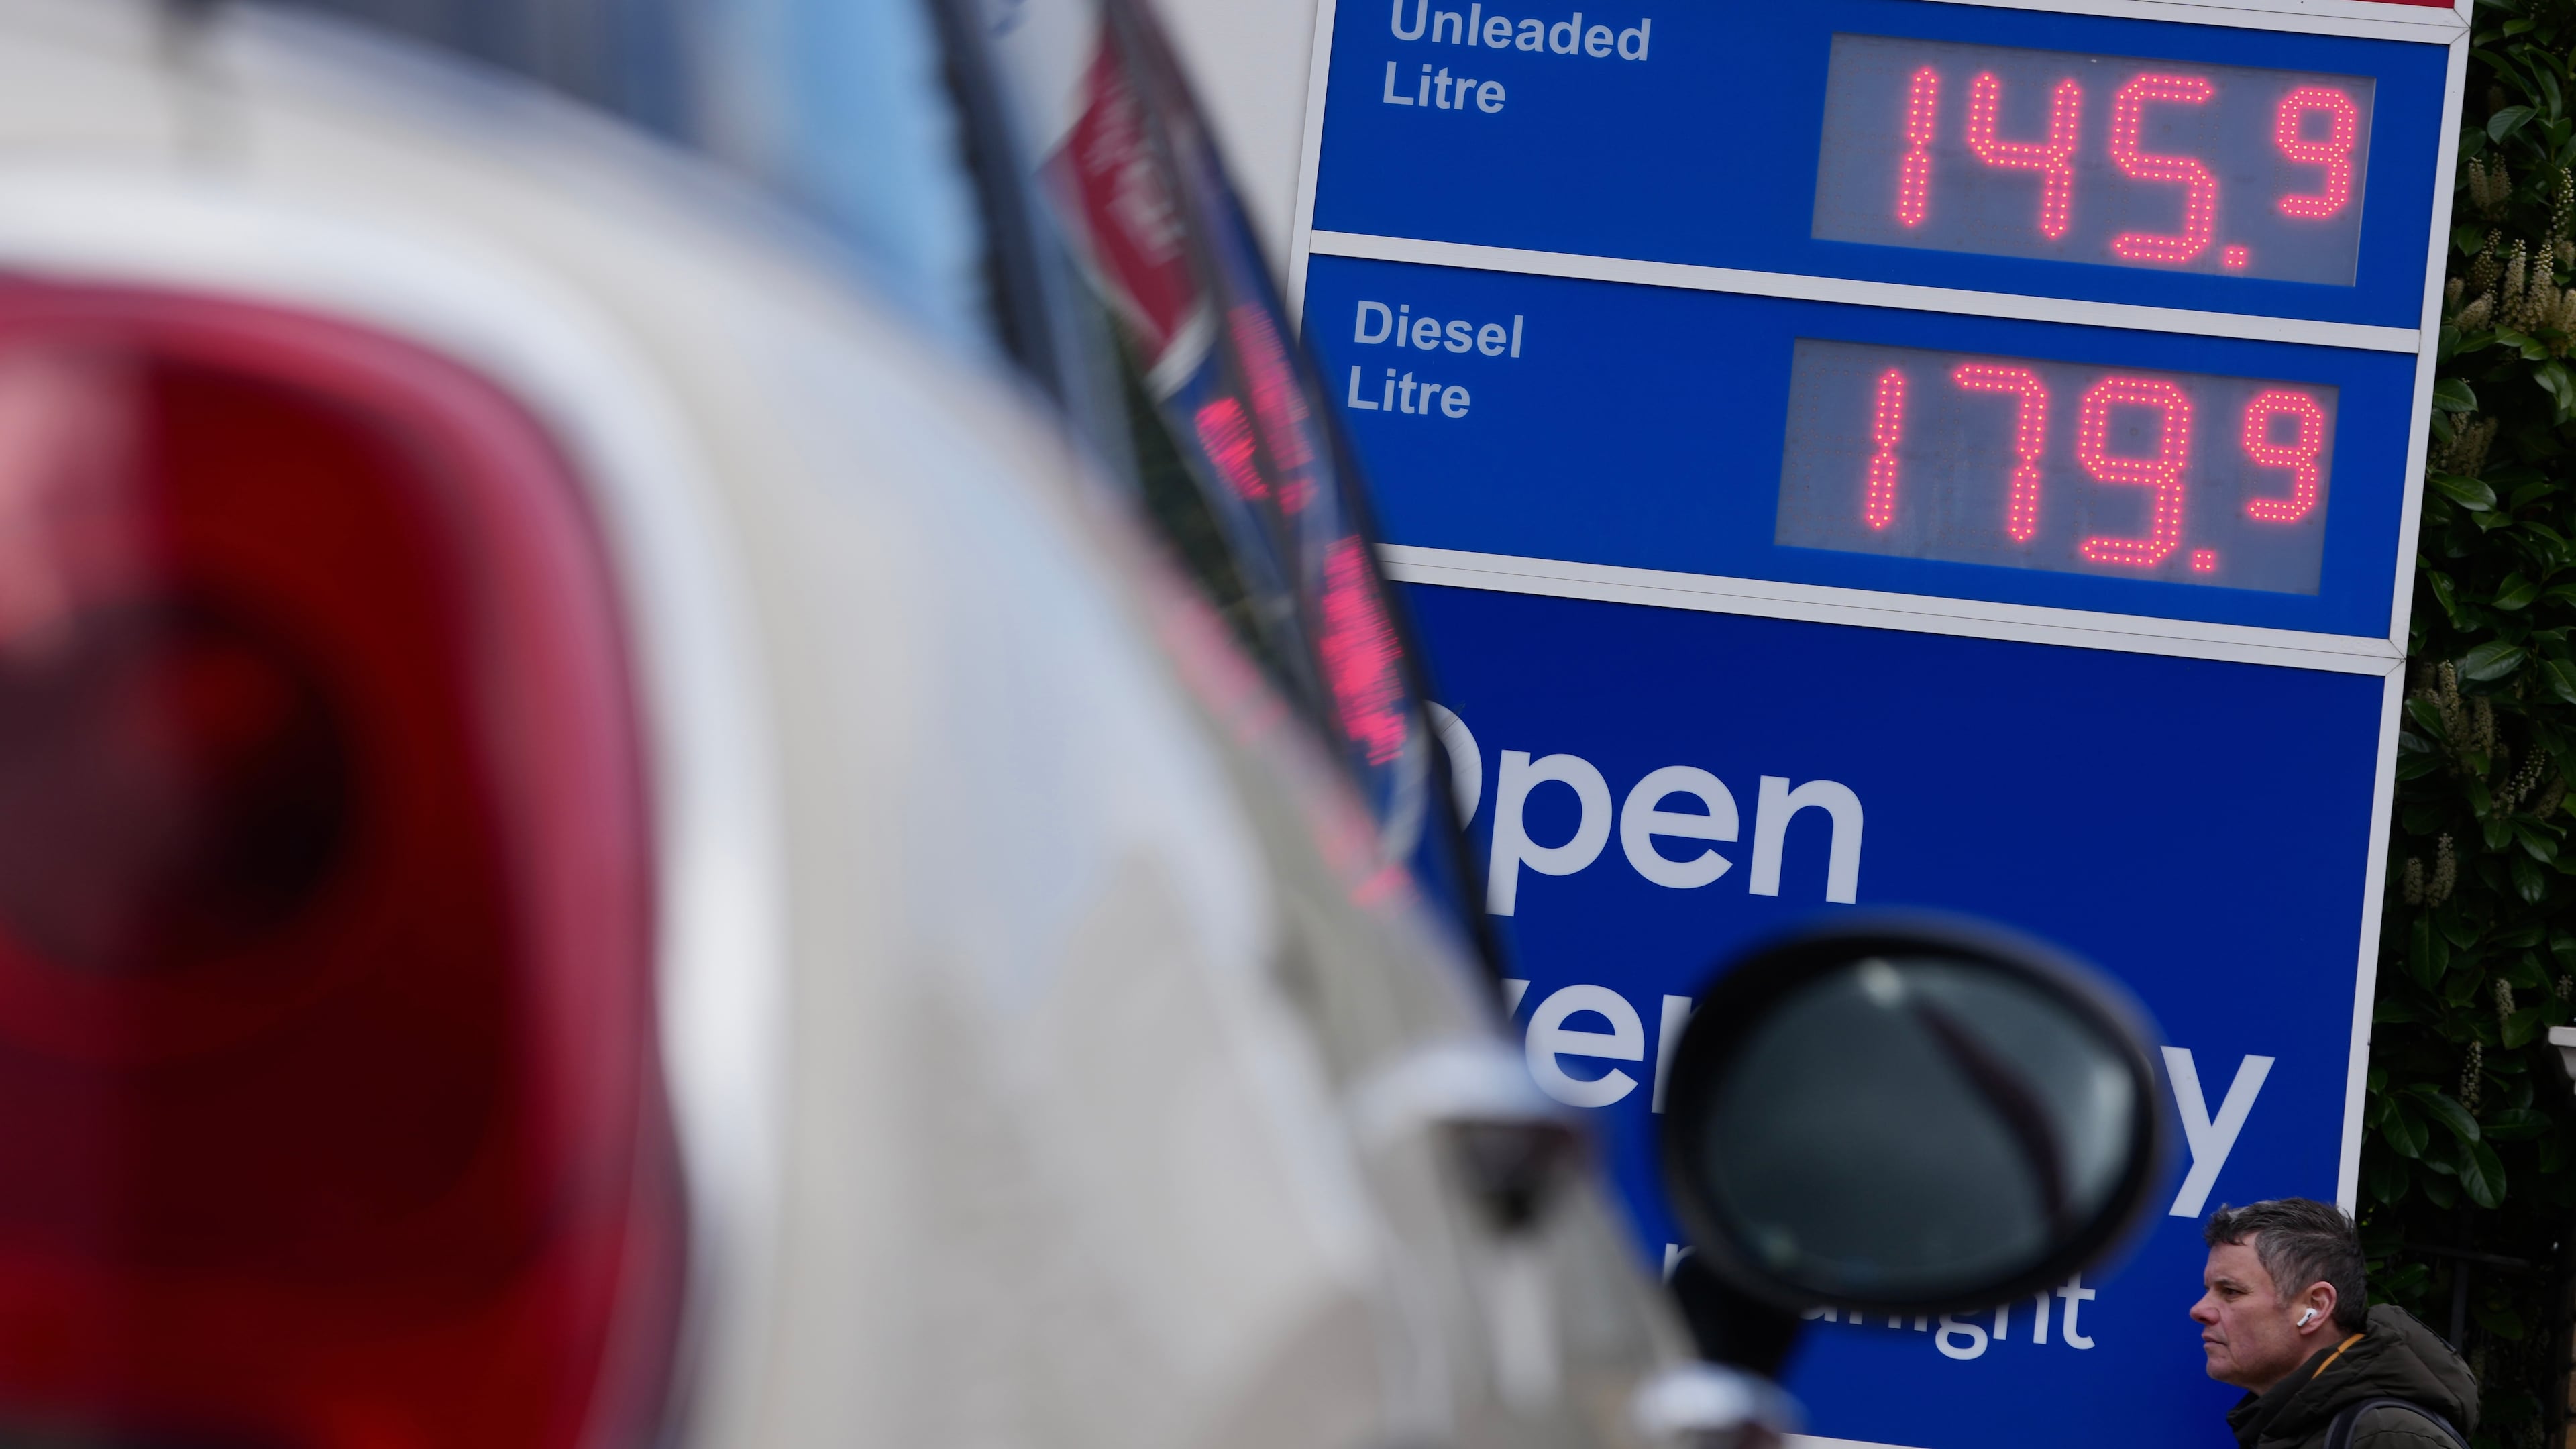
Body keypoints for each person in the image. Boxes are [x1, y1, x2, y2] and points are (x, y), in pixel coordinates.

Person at [2193, 1199, 2475, 1449]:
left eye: (2231, 1292)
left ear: (2316, 1307)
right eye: (2208, 1290)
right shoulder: (2282, 1427)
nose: (2199, 1310)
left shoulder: (2388, 1437)